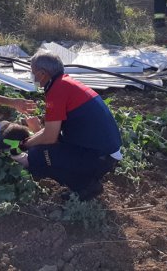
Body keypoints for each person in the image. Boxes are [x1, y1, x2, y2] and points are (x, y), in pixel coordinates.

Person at [16, 50, 123, 200]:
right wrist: (27, 142)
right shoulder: (65, 84)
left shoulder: (57, 90)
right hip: (104, 153)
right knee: (48, 146)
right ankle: (86, 177)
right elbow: (50, 131)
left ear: (42, 74)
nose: (32, 76)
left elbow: (49, 137)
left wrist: (23, 146)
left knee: (38, 155)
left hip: (100, 157)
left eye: (33, 72)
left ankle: (85, 186)